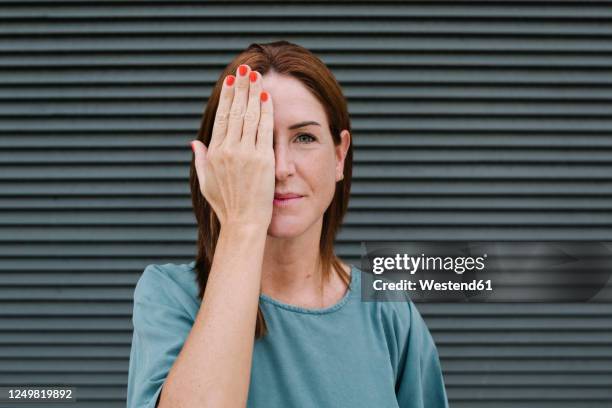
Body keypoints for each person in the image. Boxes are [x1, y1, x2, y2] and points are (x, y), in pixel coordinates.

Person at [127, 40, 449, 408]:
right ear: (220, 159)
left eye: (304, 138)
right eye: (257, 140)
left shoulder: (390, 311)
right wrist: (242, 223)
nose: (280, 168)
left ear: (340, 155)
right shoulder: (169, 295)